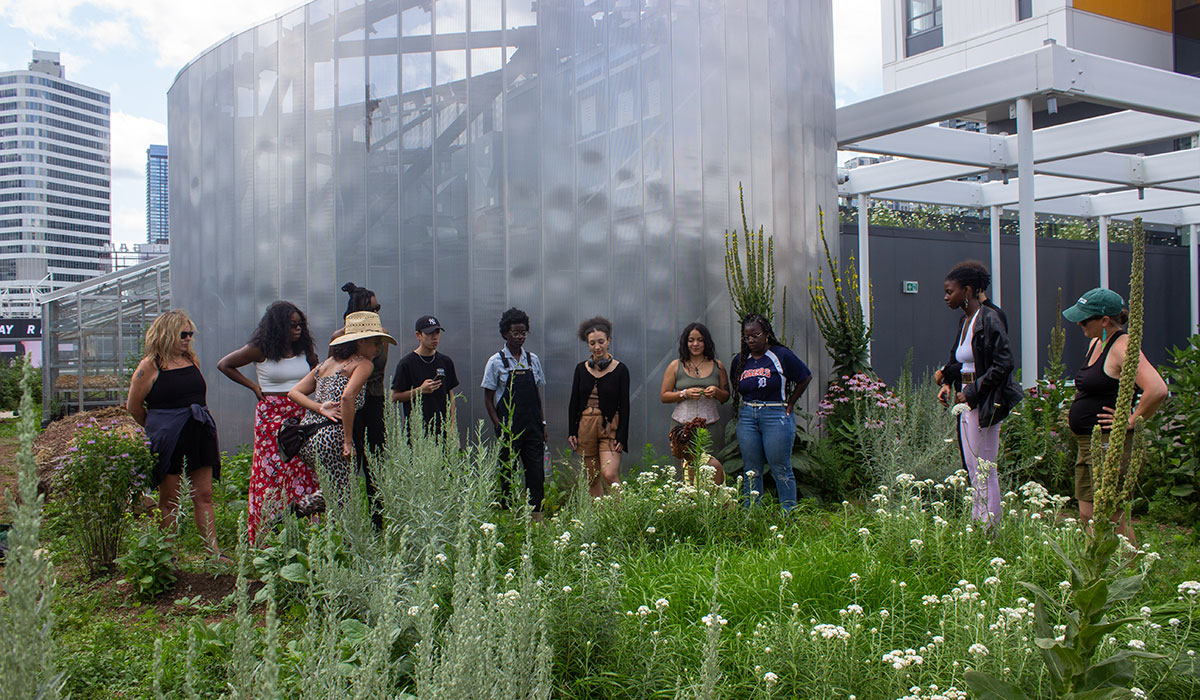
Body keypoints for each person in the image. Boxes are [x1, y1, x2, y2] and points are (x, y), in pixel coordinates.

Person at [1063, 288, 1167, 544]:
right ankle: (1096, 576)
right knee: (1087, 514)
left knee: (1112, 516)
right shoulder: (1097, 343)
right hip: (1089, 442)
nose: (1079, 323)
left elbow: (1157, 389)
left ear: (1105, 320)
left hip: (1112, 444)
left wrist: (1130, 421)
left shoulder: (1123, 347)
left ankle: (1132, 575)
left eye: (1085, 319)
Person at [217, 301, 320, 544]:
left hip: (301, 413)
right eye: (291, 325)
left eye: (300, 325)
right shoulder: (261, 349)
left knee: (302, 467)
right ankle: (268, 533)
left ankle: (303, 530)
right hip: (271, 414)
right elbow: (225, 365)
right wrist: (254, 386)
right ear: (278, 326)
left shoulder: (305, 348)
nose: (297, 330)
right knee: (272, 470)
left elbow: (318, 371)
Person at [126, 309, 226, 560]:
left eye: (190, 334)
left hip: (198, 432)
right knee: (169, 499)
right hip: (169, 438)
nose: (188, 338)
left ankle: (212, 553)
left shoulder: (192, 360)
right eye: (183, 334)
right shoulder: (150, 366)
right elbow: (133, 406)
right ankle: (166, 554)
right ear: (167, 333)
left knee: (204, 496)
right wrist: (158, 426)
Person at [937, 262, 1023, 528]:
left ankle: (990, 530)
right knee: (973, 466)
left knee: (984, 467)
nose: (946, 297)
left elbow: (1004, 363)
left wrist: (973, 391)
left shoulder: (989, 318)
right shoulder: (966, 321)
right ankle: (979, 522)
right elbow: (960, 361)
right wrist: (949, 382)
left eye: (950, 291)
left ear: (968, 290)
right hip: (967, 398)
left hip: (981, 400)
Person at [289, 311, 396, 508]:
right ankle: (300, 509)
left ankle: (305, 511)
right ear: (361, 342)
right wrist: (348, 441)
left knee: (336, 491)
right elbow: (348, 396)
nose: (379, 348)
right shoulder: (363, 364)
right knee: (344, 501)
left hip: (308, 437)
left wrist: (319, 407)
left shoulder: (327, 364)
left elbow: (294, 392)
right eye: (375, 342)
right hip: (332, 437)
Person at [731, 313, 812, 512]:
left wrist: (791, 402)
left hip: (776, 415)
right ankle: (752, 514)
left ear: (766, 333)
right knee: (751, 470)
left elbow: (805, 377)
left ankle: (788, 514)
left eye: (755, 335)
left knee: (781, 467)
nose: (750, 340)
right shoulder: (740, 360)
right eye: (746, 336)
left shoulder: (781, 355)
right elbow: (736, 385)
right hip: (749, 416)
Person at [482, 307, 547, 519]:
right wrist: (498, 425)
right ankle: (509, 518)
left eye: (523, 333)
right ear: (505, 334)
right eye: (515, 333)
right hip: (509, 429)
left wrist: (542, 423)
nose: (519, 337)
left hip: (533, 428)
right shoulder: (496, 362)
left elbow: (536, 394)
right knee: (507, 473)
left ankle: (535, 519)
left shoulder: (532, 360)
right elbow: (488, 399)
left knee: (536, 473)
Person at [332, 282, 389, 526]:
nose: (376, 313)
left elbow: (377, 370)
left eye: (378, 308)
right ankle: (346, 522)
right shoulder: (338, 338)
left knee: (375, 462)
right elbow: (333, 372)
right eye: (372, 309)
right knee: (348, 462)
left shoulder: (381, 338)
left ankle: (377, 521)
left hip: (373, 400)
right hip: (349, 403)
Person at [568, 317, 631, 498]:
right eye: (592, 343)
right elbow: (574, 401)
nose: (597, 347)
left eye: (601, 342)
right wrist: (572, 430)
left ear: (609, 340)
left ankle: (622, 516)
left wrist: (622, 436)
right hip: (585, 426)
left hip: (609, 427)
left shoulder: (620, 370)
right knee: (591, 478)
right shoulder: (581, 369)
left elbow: (625, 404)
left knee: (609, 474)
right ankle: (600, 518)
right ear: (588, 345)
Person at [660, 322, 729, 485]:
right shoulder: (675, 366)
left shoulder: (717, 366)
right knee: (683, 469)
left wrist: (717, 392)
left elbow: (726, 397)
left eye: (700, 340)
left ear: (706, 342)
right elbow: (664, 396)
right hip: (681, 425)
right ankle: (685, 505)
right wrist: (684, 393)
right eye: (691, 340)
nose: (695, 344)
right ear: (685, 342)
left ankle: (710, 505)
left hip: (710, 425)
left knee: (711, 469)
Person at [391, 314, 459, 435]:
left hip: (442, 429)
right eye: (429, 333)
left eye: (437, 332)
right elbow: (395, 396)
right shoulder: (407, 364)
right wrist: (419, 391)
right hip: (417, 431)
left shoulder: (445, 361)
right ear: (419, 335)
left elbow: (450, 394)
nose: (434, 337)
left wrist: (452, 426)